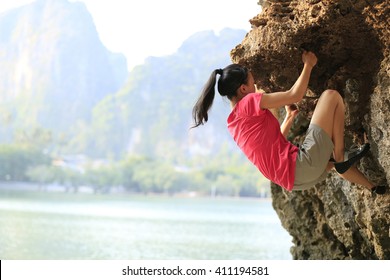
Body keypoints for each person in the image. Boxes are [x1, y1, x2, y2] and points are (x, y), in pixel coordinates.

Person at [192, 51, 387, 195]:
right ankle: (340, 156)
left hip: (294, 181)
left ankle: (374, 187)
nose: (256, 86)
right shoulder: (249, 102)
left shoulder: (233, 123)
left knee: (331, 164)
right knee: (331, 96)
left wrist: (288, 118)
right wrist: (308, 65)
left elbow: (269, 147)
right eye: (253, 83)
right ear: (243, 89)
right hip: (300, 167)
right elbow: (295, 95)